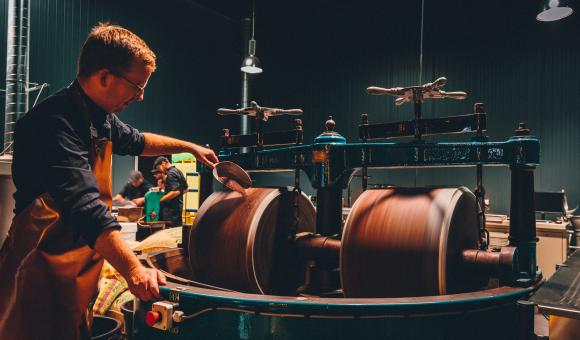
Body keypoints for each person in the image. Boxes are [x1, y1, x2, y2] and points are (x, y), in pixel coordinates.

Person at [0, 23, 218, 340]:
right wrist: (133, 270)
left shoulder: (98, 118)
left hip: (74, 271)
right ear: (104, 77)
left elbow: (139, 141)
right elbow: (86, 207)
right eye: (136, 85)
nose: (140, 96)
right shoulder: (53, 123)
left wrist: (189, 147)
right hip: (39, 273)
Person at [153, 156, 188, 227]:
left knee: (170, 232)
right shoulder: (178, 171)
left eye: (158, 168)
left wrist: (159, 200)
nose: (159, 170)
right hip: (178, 207)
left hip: (171, 210)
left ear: (163, 163)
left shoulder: (170, 173)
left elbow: (175, 192)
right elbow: (186, 189)